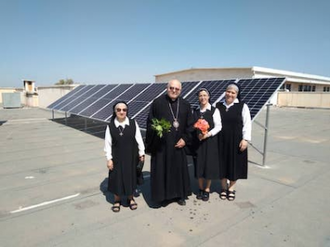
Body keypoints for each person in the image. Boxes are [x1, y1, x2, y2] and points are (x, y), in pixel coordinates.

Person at [146, 79, 194, 206]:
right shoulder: (157, 103)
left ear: (180, 90)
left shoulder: (185, 104)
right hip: (162, 146)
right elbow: (150, 122)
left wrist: (185, 139)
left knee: (178, 171)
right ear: (167, 88)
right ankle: (162, 197)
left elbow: (190, 125)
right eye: (171, 88)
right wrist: (156, 130)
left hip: (179, 145)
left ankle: (179, 195)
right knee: (162, 171)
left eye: (177, 89)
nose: (174, 90)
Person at [104, 101, 145, 212]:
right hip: (116, 157)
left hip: (131, 156)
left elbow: (139, 138)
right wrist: (109, 159)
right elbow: (107, 144)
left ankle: (130, 199)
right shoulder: (110, 126)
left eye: (124, 110)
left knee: (130, 177)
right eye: (119, 110)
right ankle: (117, 200)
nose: (122, 112)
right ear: (115, 111)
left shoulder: (133, 123)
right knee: (117, 178)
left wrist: (142, 153)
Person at [216, 84, 251, 201]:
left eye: (233, 93)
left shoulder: (242, 106)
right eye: (228, 91)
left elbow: (247, 123)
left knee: (234, 165)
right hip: (221, 140)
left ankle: (231, 188)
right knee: (222, 164)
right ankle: (223, 187)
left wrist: (245, 139)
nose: (230, 94)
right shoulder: (218, 106)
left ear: (236, 94)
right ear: (225, 92)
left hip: (236, 140)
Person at [192, 88, 222, 201]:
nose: (203, 97)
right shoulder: (195, 111)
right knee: (199, 165)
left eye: (205, 95)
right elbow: (192, 125)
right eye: (200, 95)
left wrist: (208, 134)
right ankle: (200, 188)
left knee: (208, 166)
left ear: (209, 97)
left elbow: (219, 126)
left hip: (210, 142)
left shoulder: (214, 111)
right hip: (198, 142)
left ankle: (207, 189)